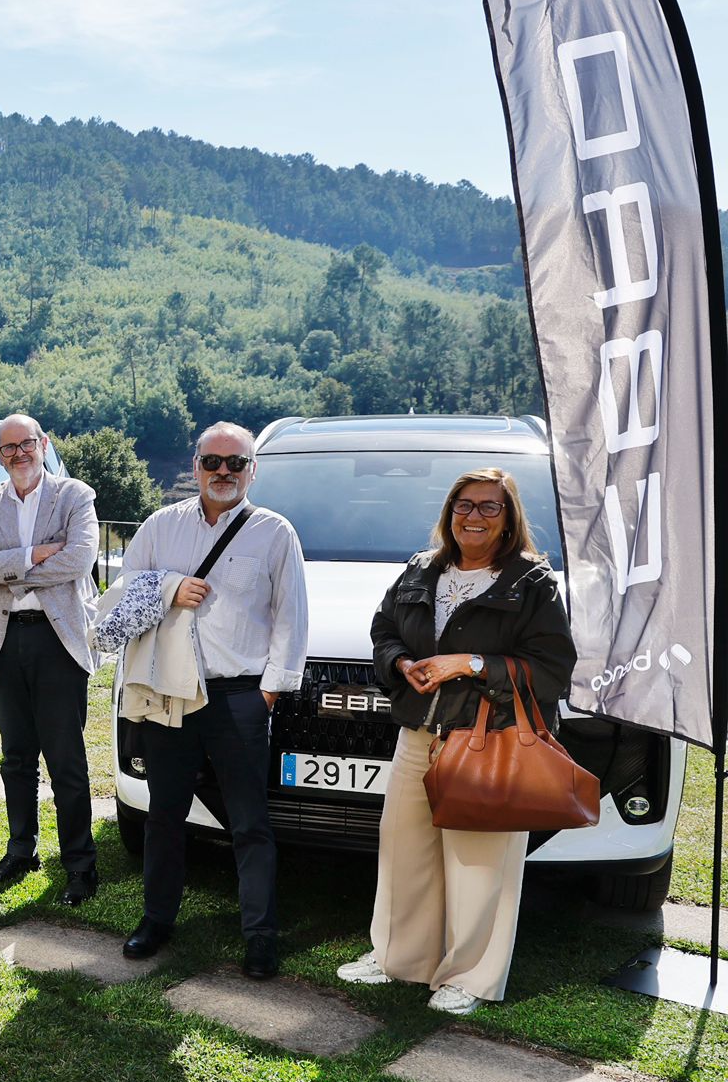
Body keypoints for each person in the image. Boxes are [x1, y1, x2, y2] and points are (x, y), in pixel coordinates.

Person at [341, 469, 575, 1014]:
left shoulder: (531, 583)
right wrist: (401, 663)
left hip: (486, 741)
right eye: (464, 505)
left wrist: (469, 665)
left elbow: (552, 671)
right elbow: (384, 630)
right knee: (404, 852)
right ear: (449, 512)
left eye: (489, 508)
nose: (474, 516)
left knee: (479, 865)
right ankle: (400, 957)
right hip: (419, 733)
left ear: (509, 518)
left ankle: (469, 978)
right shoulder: (422, 569)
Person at [120, 421, 307, 979]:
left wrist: (269, 692)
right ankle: (157, 921)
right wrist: (171, 588)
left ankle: (260, 936)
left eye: (235, 463)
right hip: (170, 694)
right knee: (164, 816)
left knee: (249, 823)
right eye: (212, 462)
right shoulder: (160, 526)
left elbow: (291, 619)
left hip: (240, 695)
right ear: (194, 465)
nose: (223, 472)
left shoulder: (275, 533)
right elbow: (124, 596)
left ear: (253, 469)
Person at [0, 415, 100, 894]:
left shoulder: (74, 495)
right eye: (8, 449)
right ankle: (21, 849)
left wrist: (6, 565)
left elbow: (79, 558)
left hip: (56, 640)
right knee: (16, 755)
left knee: (65, 760)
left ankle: (80, 863)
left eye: (26, 445)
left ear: (43, 445)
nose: (18, 454)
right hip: (3, 639)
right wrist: (35, 555)